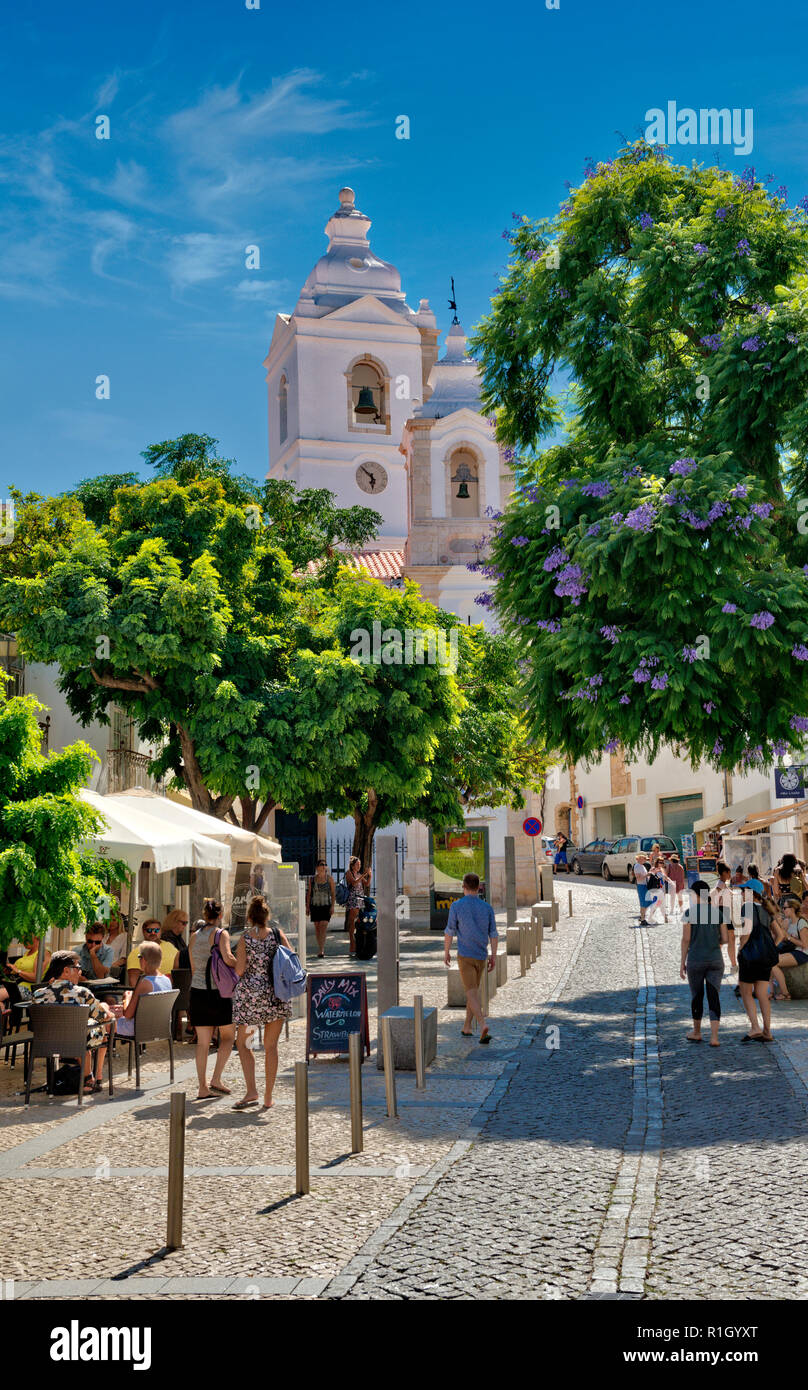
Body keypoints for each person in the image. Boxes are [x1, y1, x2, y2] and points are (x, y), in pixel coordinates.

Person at [232, 897, 293, 1111]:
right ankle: (268, 1096)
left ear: (249, 917)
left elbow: (239, 970)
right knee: (271, 1047)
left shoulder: (245, 938)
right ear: (267, 917)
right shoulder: (277, 935)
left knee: (244, 1044)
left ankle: (251, 1091)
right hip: (275, 996)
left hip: (250, 999)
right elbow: (292, 959)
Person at [33, 950, 116, 1094]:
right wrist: (106, 1008)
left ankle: (90, 1077)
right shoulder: (82, 993)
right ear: (66, 970)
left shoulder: (38, 994)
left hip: (47, 1043)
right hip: (77, 1043)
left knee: (82, 1030)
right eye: (78, 968)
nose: (80, 972)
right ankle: (93, 1078)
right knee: (100, 1031)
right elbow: (103, 1017)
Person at [188, 899, 236, 1100]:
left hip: (197, 992)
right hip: (219, 993)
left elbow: (193, 967)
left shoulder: (193, 936)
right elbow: (227, 958)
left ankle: (202, 1087)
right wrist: (241, 962)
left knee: (203, 1043)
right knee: (227, 1038)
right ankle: (216, 1078)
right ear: (220, 915)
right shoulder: (220, 934)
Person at [443, 873, 498, 1045]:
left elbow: (449, 931)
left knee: (471, 993)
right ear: (479, 887)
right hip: (481, 956)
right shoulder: (487, 908)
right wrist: (493, 956)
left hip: (465, 955)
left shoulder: (456, 906)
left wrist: (446, 951)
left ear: (464, 886)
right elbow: (494, 934)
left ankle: (482, 1025)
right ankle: (467, 1026)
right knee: (473, 991)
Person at [680, 879, 728, 1046]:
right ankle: (714, 1037)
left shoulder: (689, 913)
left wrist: (682, 964)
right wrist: (715, 945)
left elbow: (686, 940)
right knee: (714, 996)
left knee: (697, 996)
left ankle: (697, 1032)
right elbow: (726, 938)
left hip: (695, 960)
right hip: (715, 959)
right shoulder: (718, 913)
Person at [736, 878, 777, 1042]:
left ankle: (755, 1027)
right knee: (762, 993)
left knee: (746, 992)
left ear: (750, 893)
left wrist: (740, 947)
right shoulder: (767, 909)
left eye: (743, 890)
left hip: (750, 956)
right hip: (766, 956)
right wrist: (771, 946)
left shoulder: (747, 907)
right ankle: (767, 1031)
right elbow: (780, 934)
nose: (741, 893)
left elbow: (746, 933)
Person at [111, 941, 173, 1038]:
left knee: (105, 1023)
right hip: (160, 1028)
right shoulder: (167, 980)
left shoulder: (145, 983)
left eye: (139, 957)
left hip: (139, 1029)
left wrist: (126, 998)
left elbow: (127, 1014)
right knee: (113, 1011)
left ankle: (104, 1052)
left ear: (144, 960)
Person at [769, 896, 808, 1001]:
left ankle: (785, 993)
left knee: (773, 962)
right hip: (793, 951)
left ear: (792, 909)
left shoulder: (801, 923)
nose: (783, 910)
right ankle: (771, 992)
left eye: (785, 908)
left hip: (803, 953)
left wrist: (789, 937)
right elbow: (782, 937)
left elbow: (805, 945)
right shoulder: (789, 922)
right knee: (769, 959)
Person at [0, 935, 50, 1010]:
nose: (22, 942)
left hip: (29, 989)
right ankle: (3, 1015)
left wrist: (18, 971)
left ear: (36, 938)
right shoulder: (27, 953)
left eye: (25, 939)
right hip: (14, 984)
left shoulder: (43, 953)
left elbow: (35, 977)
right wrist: (9, 971)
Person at [127, 920, 178, 987]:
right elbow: (133, 980)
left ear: (161, 931)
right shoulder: (137, 952)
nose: (153, 933)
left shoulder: (169, 945)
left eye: (156, 930)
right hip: (152, 990)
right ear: (143, 932)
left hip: (174, 988)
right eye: (149, 930)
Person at [710, 862, 738, 973]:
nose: (730, 874)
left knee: (725, 940)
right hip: (722, 913)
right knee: (729, 939)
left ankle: (730, 964)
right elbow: (712, 894)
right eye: (729, 872)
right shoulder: (720, 884)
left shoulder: (723, 884)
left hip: (723, 913)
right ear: (724, 873)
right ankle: (733, 965)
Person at [306, 860, 335, 959]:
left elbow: (333, 893)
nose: (324, 866)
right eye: (321, 865)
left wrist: (332, 906)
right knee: (317, 928)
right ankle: (320, 947)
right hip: (315, 906)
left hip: (326, 905)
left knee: (323, 927)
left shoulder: (330, 879)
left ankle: (321, 950)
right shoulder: (312, 879)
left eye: (325, 865)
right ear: (317, 867)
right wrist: (307, 907)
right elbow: (309, 894)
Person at [345, 857, 370, 958]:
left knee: (358, 922)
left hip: (360, 899)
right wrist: (364, 874)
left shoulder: (359, 874)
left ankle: (357, 943)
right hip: (353, 899)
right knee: (352, 922)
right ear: (352, 865)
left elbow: (367, 884)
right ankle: (352, 943)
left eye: (360, 864)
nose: (359, 866)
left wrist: (370, 875)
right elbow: (354, 882)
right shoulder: (349, 873)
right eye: (357, 864)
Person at [646, 858, 669, 924]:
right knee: (655, 904)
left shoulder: (662, 870)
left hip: (662, 890)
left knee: (661, 904)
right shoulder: (653, 869)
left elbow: (665, 879)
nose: (661, 863)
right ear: (657, 862)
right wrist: (653, 873)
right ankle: (650, 917)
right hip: (655, 890)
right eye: (660, 862)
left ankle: (665, 917)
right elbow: (649, 877)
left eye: (662, 862)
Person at [633, 852, 649, 924]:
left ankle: (642, 916)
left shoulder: (641, 866)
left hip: (644, 885)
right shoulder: (637, 866)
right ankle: (642, 919)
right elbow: (638, 878)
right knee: (643, 902)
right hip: (641, 885)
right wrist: (647, 875)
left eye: (645, 859)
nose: (645, 860)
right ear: (639, 859)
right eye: (644, 858)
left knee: (646, 902)